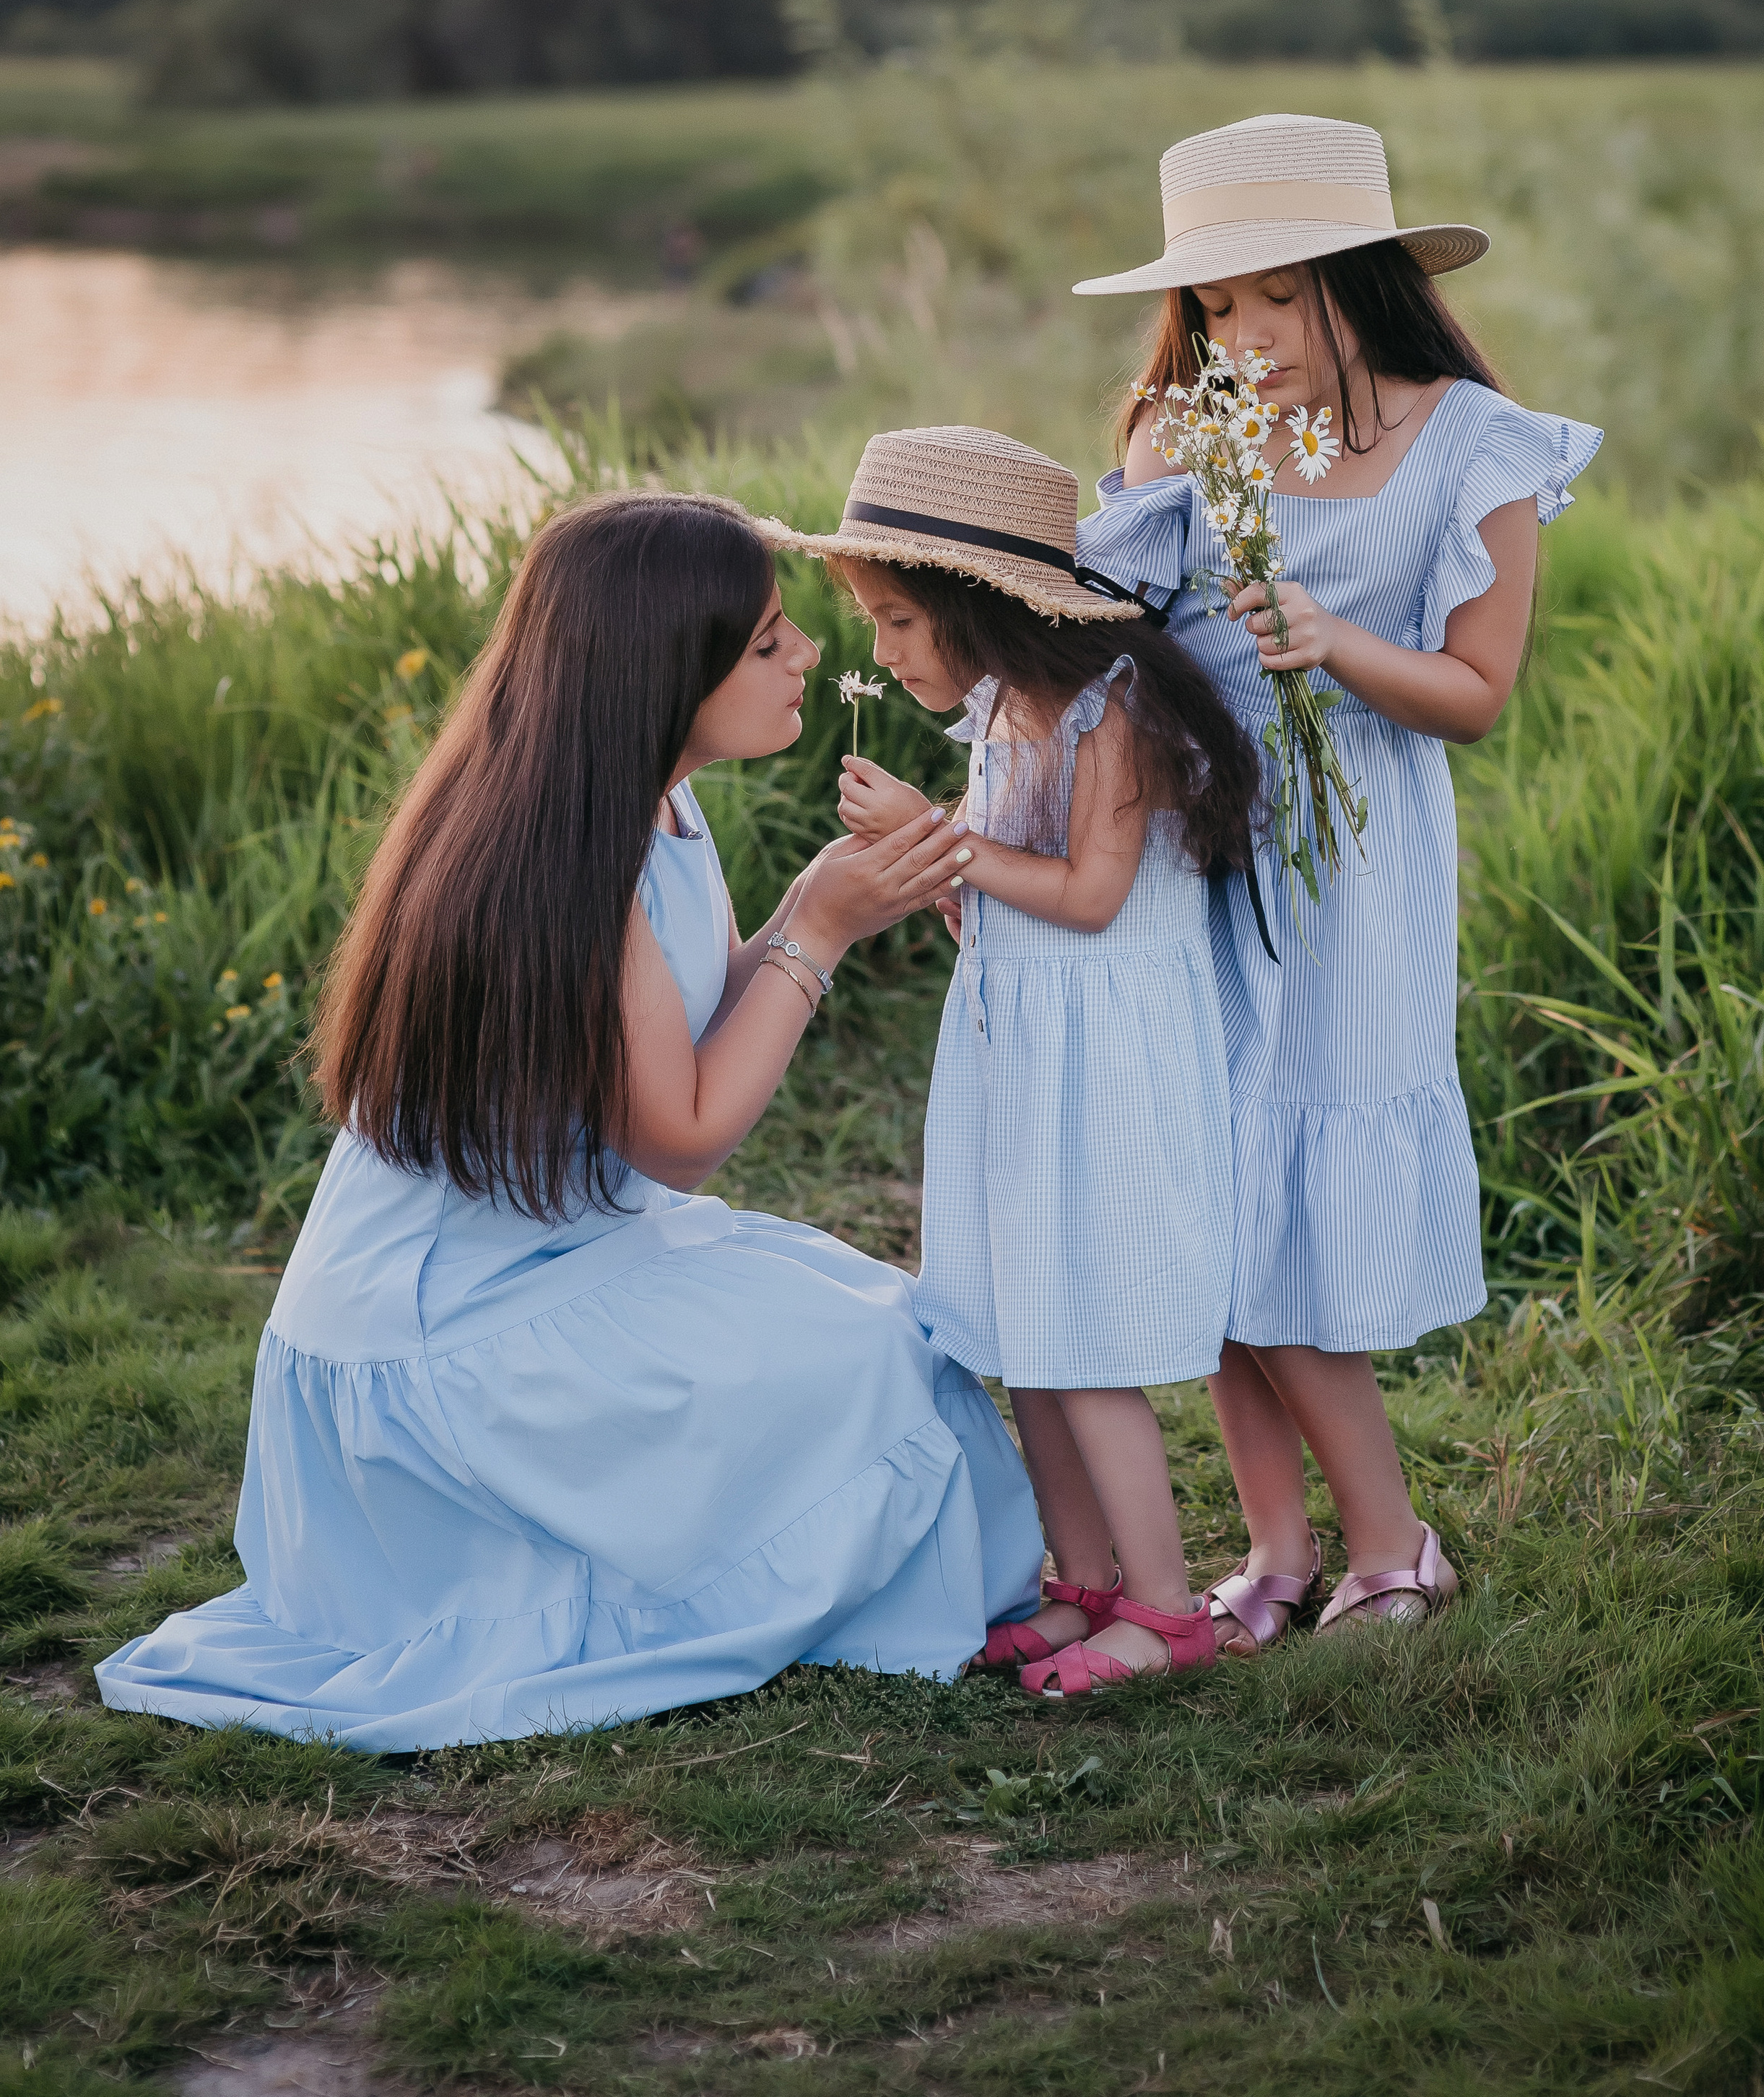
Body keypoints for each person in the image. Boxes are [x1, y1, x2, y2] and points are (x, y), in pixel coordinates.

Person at [97, 492, 1043, 1750]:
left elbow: (686, 1027)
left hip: (553, 1258)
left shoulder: (653, 800)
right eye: (767, 643)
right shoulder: (570, 856)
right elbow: (684, 1134)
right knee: (861, 1366)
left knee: (886, 1325)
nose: (811, 653)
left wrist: (818, 901)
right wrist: (820, 930)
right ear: (664, 671)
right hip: (436, 1348)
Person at [1073, 113, 1602, 1642]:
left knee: (1292, 1203)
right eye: (1213, 307)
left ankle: (1393, 1551)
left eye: (1273, 298)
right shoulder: (1179, 432)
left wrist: (1332, 643)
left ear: (1354, 280)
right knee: (1214, 1197)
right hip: (1197, 840)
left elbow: (1476, 690)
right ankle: (1275, 1555)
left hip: (1353, 856)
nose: (1240, 337)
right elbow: (1116, 644)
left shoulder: (1472, 443)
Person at [769, 426, 1263, 1697]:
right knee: (1026, 1330)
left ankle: (1166, 1607)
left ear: (979, 608)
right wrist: (941, 876)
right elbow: (996, 897)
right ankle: (1083, 1577)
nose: (878, 650)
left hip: (1103, 1063)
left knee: (1086, 1338)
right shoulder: (1001, 710)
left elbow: (1095, 894)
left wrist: (939, 839)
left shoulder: (1115, 714)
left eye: (895, 621)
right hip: (1017, 1049)